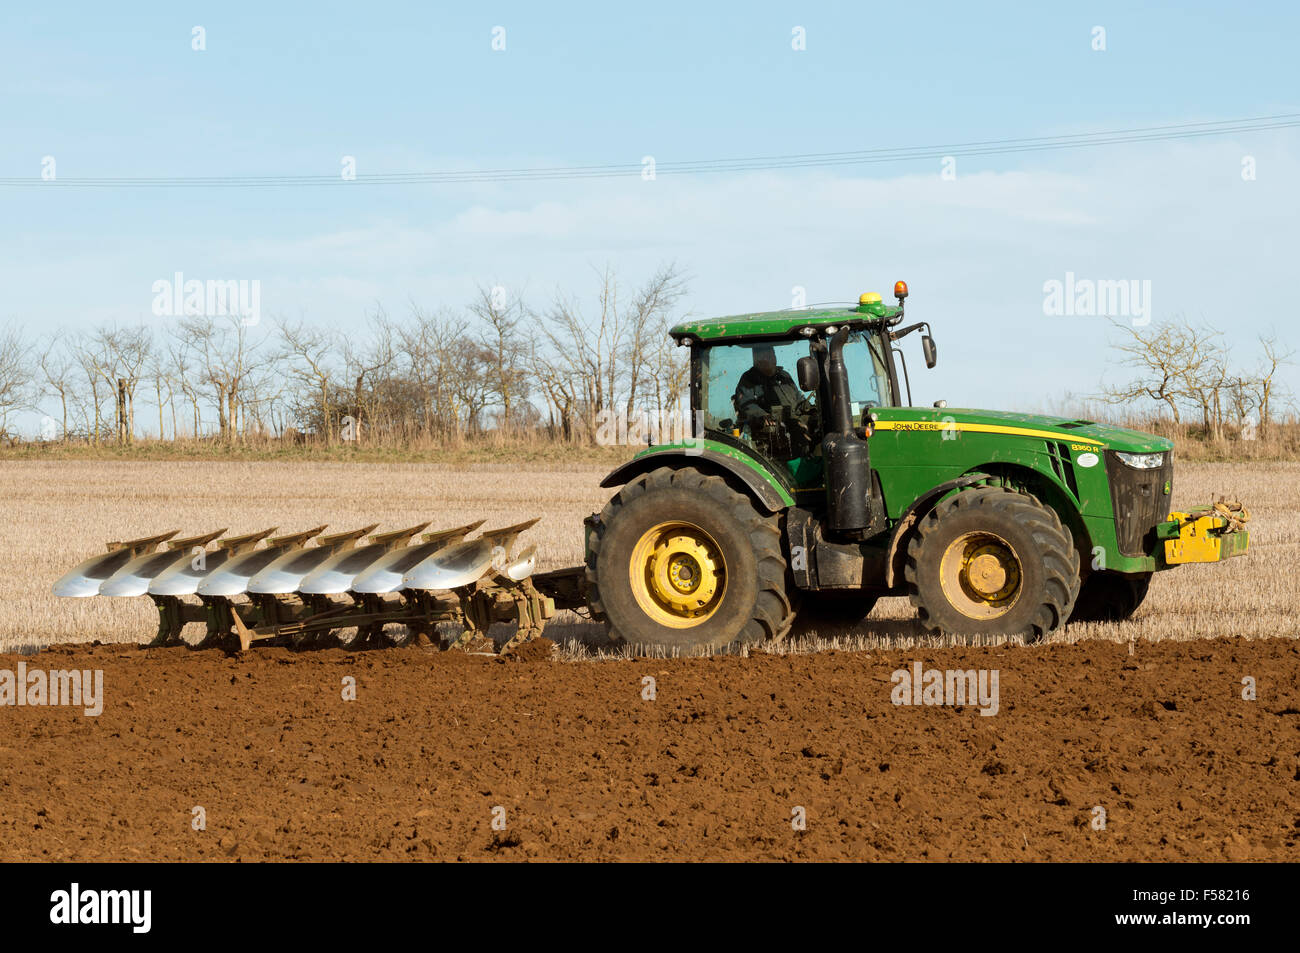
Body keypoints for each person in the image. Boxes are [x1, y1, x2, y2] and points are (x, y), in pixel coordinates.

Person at [732, 345, 814, 457]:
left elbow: (799, 401)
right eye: (766, 355)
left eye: (773, 354)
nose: (772, 357)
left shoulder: (784, 376)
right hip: (771, 439)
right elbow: (746, 405)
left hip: (797, 429)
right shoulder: (749, 379)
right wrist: (763, 415)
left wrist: (812, 410)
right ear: (756, 359)